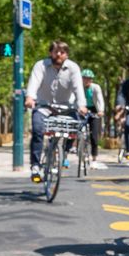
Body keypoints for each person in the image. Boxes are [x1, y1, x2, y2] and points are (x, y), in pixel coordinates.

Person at [25, 41, 88, 182]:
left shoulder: (73, 68)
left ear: (67, 54)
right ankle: (35, 165)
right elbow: (34, 83)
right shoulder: (40, 65)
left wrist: (82, 105)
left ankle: (63, 153)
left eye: (62, 52)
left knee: (75, 127)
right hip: (43, 106)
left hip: (65, 108)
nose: (58, 54)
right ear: (50, 53)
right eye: (55, 51)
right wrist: (30, 97)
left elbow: (78, 88)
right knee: (37, 130)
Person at [82, 69, 106, 169]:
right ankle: (78, 148)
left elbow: (100, 99)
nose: (87, 81)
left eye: (89, 79)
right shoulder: (79, 87)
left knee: (94, 136)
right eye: (85, 79)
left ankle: (94, 158)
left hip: (95, 110)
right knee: (77, 129)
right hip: (82, 109)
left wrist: (101, 111)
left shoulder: (95, 88)